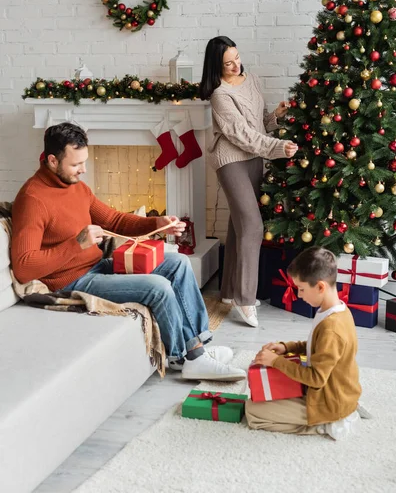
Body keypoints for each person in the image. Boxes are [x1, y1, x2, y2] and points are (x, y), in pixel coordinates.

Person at [11, 122, 246, 382]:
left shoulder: (76, 186)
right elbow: (23, 267)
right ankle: (183, 357)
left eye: (85, 162)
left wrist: (156, 224)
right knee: (158, 287)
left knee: (178, 263)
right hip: (70, 281)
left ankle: (197, 350)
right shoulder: (32, 200)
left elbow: (114, 220)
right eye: (76, 164)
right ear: (53, 161)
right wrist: (76, 245)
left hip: (97, 266)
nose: (83, 170)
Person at [199, 36, 298, 328]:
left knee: (239, 223)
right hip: (231, 160)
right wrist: (277, 148)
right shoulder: (219, 95)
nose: (235, 65)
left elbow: (257, 124)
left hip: (254, 157)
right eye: (227, 62)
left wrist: (275, 119)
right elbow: (239, 134)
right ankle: (245, 299)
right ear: (216, 65)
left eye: (237, 58)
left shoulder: (250, 79)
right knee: (253, 226)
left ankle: (228, 292)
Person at [246, 247, 362, 440]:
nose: (299, 295)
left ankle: (324, 426)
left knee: (253, 411)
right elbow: (317, 347)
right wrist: (287, 347)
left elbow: (316, 378)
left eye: (301, 289)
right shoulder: (335, 310)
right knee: (262, 395)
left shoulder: (331, 328)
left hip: (327, 402)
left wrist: (276, 362)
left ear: (320, 287)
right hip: (329, 392)